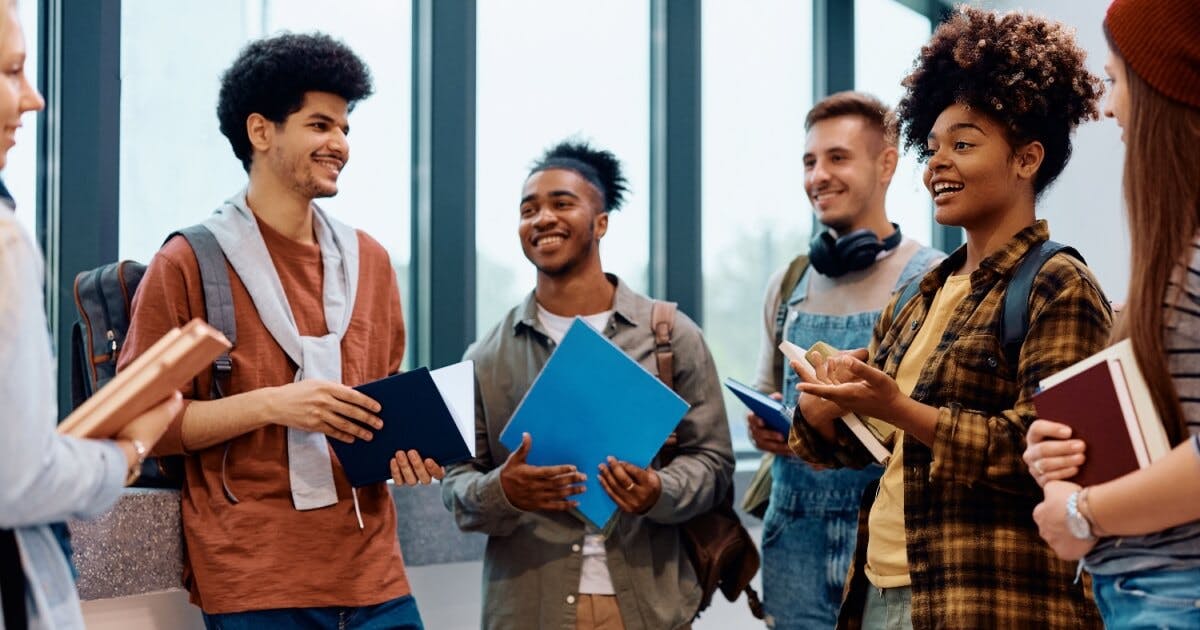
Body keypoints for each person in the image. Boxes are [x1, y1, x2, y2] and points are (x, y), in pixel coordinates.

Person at [789, 7, 1111, 628]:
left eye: (963, 144)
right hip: (880, 591)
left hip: (988, 602)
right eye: (931, 147)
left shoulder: (1058, 285)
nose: (937, 163)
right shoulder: (919, 295)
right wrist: (823, 412)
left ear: (1026, 158)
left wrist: (898, 407)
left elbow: (1045, 455)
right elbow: (868, 451)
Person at [119, 33, 434, 629]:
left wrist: (409, 451)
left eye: (345, 128)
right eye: (320, 125)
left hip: (376, 575)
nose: (339, 144)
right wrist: (274, 405)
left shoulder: (372, 261)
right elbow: (142, 424)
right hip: (254, 579)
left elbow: (379, 407)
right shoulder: (189, 261)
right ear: (261, 131)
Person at [442, 140, 734, 630]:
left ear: (600, 223)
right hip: (531, 609)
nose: (542, 219)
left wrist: (657, 490)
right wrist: (504, 490)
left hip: (645, 606)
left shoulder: (669, 336)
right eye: (528, 209)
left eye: (562, 203)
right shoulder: (486, 356)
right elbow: (457, 485)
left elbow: (714, 463)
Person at [0, 0, 182, 627]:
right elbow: (18, 476)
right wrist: (126, 452)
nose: (33, 99)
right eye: (12, 71)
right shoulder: (5, 243)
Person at [1025, 1, 1200, 627]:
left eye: (1118, 80)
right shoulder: (1176, 254)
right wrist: (1068, 452)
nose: (1108, 105)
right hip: (1145, 593)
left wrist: (1085, 513)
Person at [746, 91, 941, 629]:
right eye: (809, 161)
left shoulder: (932, 280)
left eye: (837, 158)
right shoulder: (788, 283)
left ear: (886, 163)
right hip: (794, 538)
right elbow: (770, 388)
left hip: (888, 532)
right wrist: (769, 421)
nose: (818, 176)